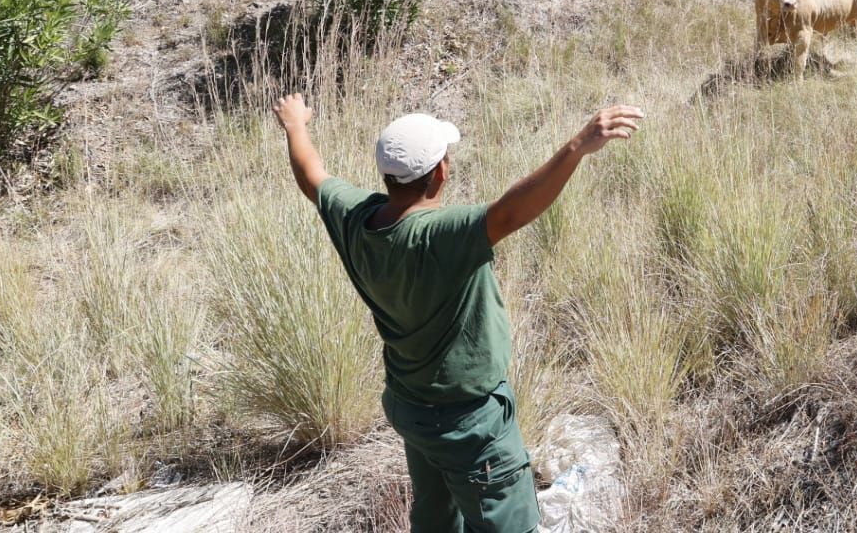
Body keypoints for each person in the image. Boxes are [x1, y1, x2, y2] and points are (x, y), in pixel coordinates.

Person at [272, 93, 645, 533]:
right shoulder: (440, 235)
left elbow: (311, 175)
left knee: (436, 520)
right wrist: (575, 147)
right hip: (471, 427)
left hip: (412, 408)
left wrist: (296, 126)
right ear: (439, 173)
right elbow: (509, 212)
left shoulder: (356, 218)